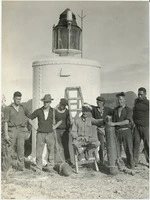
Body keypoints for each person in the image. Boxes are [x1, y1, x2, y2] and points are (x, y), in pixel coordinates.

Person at [3, 91, 30, 171]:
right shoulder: (8, 108)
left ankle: (20, 167)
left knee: (21, 149)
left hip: (21, 131)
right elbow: (5, 122)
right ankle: (6, 168)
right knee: (9, 150)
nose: (18, 100)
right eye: (17, 99)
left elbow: (30, 117)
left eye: (20, 99)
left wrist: (29, 129)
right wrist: (6, 135)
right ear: (13, 98)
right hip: (12, 130)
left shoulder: (23, 107)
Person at [28, 94, 55, 173]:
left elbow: (60, 120)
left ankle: (50, 167)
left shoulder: (53, 111)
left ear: (50, 102)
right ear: (43, 102)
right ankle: (39, 168)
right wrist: (34, 126)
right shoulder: (38, 111)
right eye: (45, 102)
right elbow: (29, 118)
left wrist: (55, 126)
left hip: (50, 134)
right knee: (39, 152)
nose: (46, 103)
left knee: (51, 151)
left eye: (47, 102)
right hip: (40, 134)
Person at [108, 92, 134, 169]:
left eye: (121, 99)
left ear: (124, 100)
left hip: (126, 131)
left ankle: (131, 165)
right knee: (117, 149)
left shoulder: (129, 110)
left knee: (128, 149)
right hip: (117, 132)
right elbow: (110, 117)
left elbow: (127, 121)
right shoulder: (115, 110)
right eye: (118, 100)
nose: (119, 101)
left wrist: (114, 124)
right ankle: (119, 165)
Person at [90, 96, 113, 164]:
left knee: (109, 145)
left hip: (107, 130)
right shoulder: (94, 109)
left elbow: (114, 113)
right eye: (97, 102)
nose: (98, 103)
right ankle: (102, 161)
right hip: (99, 129)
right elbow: (88, 106)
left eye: (99, 102)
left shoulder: (107, 109)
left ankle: (110, 160)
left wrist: (110, 119)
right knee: (101, 146)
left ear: (103, 103)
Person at [133, 87, 149, 166]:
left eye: (141, 94)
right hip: (136, 126)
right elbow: (134, 112)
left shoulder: (148, 103)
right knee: (136, 143)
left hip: (145, 127)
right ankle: (135, 161)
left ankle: (149, 161)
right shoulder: (136, 101)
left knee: (147, 144)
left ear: (145, 94)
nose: (139, 96)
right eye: (138, 94)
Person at [55, 98, 72, 166]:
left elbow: (68, 121)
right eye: (62, 105)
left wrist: (69, 128)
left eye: (64, 105)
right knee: (57, 146)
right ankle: (56, 161)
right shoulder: (55, 111)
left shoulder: (67, 112)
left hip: (65, 131)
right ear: (60, 104)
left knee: (66, 146)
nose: (63, 106)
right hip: (57, 130)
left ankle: (68, 160)